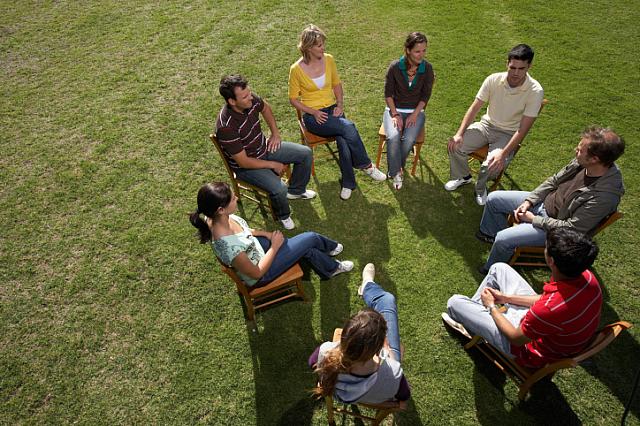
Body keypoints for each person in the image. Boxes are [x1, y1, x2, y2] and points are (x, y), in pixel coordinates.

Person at [444, 228, 601, 369]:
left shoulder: (548, 309)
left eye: (546, 248)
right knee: (499, 268)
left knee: (454, 302)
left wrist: (491, 307)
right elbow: (545, 299)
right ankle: (473, 323)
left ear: (551, 261)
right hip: (546, 330)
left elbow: (515, 338)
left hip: (526, 350)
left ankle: (471, 323)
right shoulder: (587, 277)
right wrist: (506, 297)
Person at [476, 126, 624, 273]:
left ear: (594, 159)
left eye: (580, 150)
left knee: (503, 238)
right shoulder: (584, 162)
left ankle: (493, 270)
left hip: (557, 230)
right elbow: (553, 181)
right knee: (494, 199)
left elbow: (571, 228)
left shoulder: (604, 196)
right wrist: (529, 201)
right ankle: (490, 235)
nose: (575, 151)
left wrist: (533, 219)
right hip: (543, 204)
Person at [288, 24, 386, 200]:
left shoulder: (329, 59)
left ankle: (348, 183)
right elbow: (293, 99)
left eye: (323, 44)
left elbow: (336, 85)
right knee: (348, 128)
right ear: (308, 47)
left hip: (332, 109)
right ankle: (366, 165)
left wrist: (340, 104)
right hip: (313, 116)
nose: (323, 47)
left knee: (343, 138)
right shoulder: (296, 69)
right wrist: (314, 112)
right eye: (319, 45)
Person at [189, 182, 353, 287]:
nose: (237, 198)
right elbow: (256, 273)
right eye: (232, 199)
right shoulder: (229, 247)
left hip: (255, 249)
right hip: (262, 273)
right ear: (221, 209)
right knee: (310, 238)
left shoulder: (215, 217)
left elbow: (246, 232)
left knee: (305, 248)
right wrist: (274, 247)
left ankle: (330, 268)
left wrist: (265, 234)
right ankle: (331, 249)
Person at [445, 44, 544, 205]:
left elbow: (522, 130)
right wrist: (459, 133)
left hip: (509, 133)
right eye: (512, 67)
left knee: (491, 166)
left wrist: (503, 154)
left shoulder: (535, 91)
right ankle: (463, 177)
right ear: (507, 63)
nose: (516, 73)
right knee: (455, 146)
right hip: (486, 125)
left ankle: (480, 188)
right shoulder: (493, 79)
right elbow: (475, 107)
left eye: (521, 68)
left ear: (529, 67)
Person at [216, 74, 315, 230]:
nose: (251, 97)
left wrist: (275, 133)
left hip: (263, 148)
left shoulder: (250, 99)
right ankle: (283, 215)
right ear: (232, 101)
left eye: (249, 93)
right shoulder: (226, 127)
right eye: (245, 96)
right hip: (246, 167)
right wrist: (273, 164)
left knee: (305, 153)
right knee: (279, 188)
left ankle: (296, 190)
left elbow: (266, 108)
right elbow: (243, 162)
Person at [308, 263, 410, 405]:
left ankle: (367, 285)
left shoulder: (325, 351)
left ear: (344, 336)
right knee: (387, 300)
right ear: (380, 346)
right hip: (377, 390)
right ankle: (368, 285)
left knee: (387, 301)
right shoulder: (393, 373)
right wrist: (389, 355)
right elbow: (403, 397)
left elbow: (312, 363)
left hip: (343, 395)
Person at [383, 31, 435, 190]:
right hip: (394, 109)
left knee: (408, 140)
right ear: (408, 50)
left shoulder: (427, 69)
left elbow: (425, 96)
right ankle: (396, 171)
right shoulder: (394, 67)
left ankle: (396, 166)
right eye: (417, 51)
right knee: (393, 137)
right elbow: (388, 94)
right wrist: (395, 114)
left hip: (416, 111)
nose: (421, 55)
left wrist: (414, 114)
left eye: (424, 50)